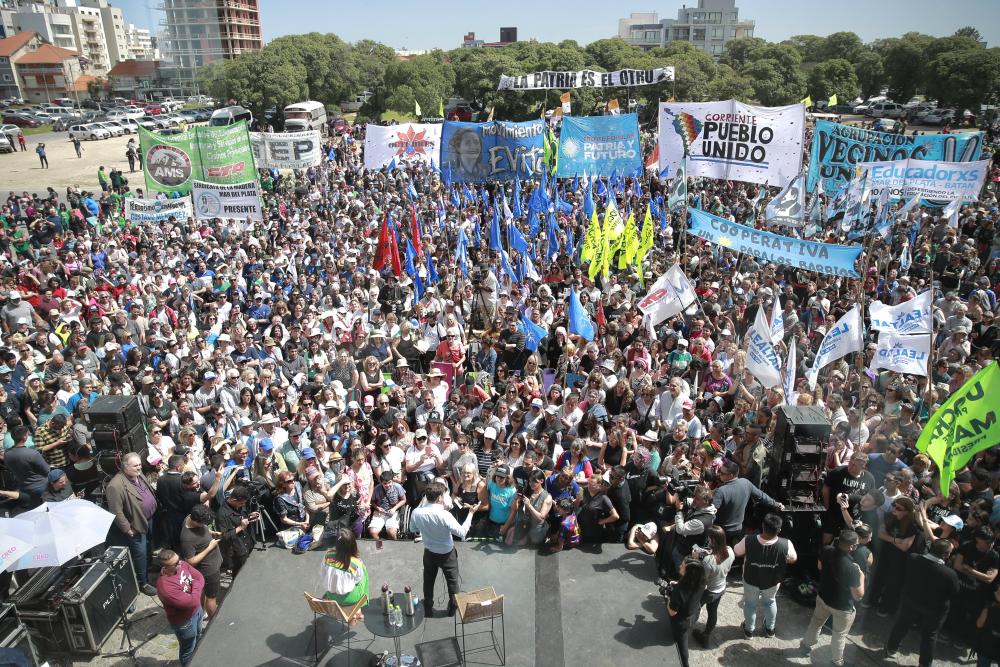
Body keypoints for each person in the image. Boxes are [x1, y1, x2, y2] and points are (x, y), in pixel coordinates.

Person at [885, 538, 960, 666]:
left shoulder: (913, 558)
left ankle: (891, 647)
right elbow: (955, 592)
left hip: (911, 600)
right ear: (946, 555)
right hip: (934, 609)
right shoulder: (950, 574)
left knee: (902, 623)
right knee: (930, 636)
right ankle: (925, 663)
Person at [409, 482, 478, 617]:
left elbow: (413, 529)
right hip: (447, 555)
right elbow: (462, 533)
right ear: (440, 498)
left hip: (429, 553)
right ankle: (452, 609)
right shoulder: (444, 515)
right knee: (453, 583)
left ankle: (428, 608)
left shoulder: (416, 512)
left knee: (428, 581)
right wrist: (470, 514)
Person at [799, 529, 865, 667]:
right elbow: (858, 596)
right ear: (851, 546)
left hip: (823, 597)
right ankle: (836, 661)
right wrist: (862, 576)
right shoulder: (852, 569)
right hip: (842, 607)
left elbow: (819, 566)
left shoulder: (827, 550)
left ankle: (805, 646)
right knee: (839, 635)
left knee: (816, 623)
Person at [735, 513, 797, 638]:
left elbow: (736, 551)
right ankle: (770, 629)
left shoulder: (748, 539)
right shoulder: (786, 544)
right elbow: (793, 559)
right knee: (770, 602)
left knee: (750, 604)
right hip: (772, 581)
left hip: (750, 580)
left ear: (763, 526)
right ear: (779, 530)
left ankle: (749, 630)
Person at [105, 452, 158, 595]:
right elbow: (116, 511)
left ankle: (148, 568)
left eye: (140, 464)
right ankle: (143, 582)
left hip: (149, 519)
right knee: (139, 553)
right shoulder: (115, 486)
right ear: (125, 466)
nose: (139, 468)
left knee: (148, 547)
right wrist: (128, 529)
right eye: (135, 465)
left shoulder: (138, 475)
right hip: (136, 525)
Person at [712, 460, 783, 544]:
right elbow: (762, 496)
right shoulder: (746, 483)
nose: (719, 474)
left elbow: (711, 512)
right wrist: (776, 504)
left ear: (731, 475)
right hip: (738, 530)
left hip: (721, 532)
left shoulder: (721, 491)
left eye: (722, 473)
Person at [156, 549, 205, 667]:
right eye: (175, 563)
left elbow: (200, 577)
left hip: (197, 612)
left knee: (199, 637)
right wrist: (195, 586)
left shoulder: (181, 564)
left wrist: (195, 588)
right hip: (184, 622)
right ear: (165, 568)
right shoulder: (165, 586)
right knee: (188, 649)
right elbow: (192, 601)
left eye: (178, 560)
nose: (180, 563)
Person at [692, 525, 735, 648]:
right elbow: (720, 563)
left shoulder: (708, 561)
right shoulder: (730, 551)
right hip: (721, 588)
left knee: (695, 609)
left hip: (708, 591)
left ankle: (685, 629)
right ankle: (706, 635)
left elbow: (702, 580)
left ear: (713, 540)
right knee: (713, 612)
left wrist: (697, 558)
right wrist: (708, 553)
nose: (708, 540)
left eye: (709, 538)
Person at [179, 504, 223, 620]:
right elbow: (190, 561)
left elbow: (203, 528)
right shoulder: (187, 539)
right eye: (203, 523)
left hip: (212, 565)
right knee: (211, 597)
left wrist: (211, 532)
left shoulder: (191, 516)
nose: (204, 525)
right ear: (196, 521)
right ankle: (214, 623)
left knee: (202, 590)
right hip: (209, 570)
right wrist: (210, 547)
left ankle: (201, 612)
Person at [316, 527, 369, 621]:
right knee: (363, 571)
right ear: (353, 544)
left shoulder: (328, 555)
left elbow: (323, 574)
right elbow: (357, 580)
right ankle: (359, 608)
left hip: (331, 595)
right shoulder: (356, 563)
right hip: (350, 598)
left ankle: (351, 609)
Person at [667, 556, 706, 667]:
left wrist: (669, 599)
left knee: (682, 642)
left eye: (682, 566)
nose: (680, 566)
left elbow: (672, 612)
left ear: (689, 573)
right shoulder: (702, 580)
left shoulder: (679, 592)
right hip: (695, 613)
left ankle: (685, 664)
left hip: (682, 622)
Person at [215, 484, 258, 577]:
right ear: (234, 500)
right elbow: (224, 536)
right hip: (237, 551)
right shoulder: (222, 514)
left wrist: (250, 516)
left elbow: (243, 517)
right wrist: (240, 527)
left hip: (248, 543)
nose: (243, 505)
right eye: (242, 503)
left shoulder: (240, 505)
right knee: (240, 575)